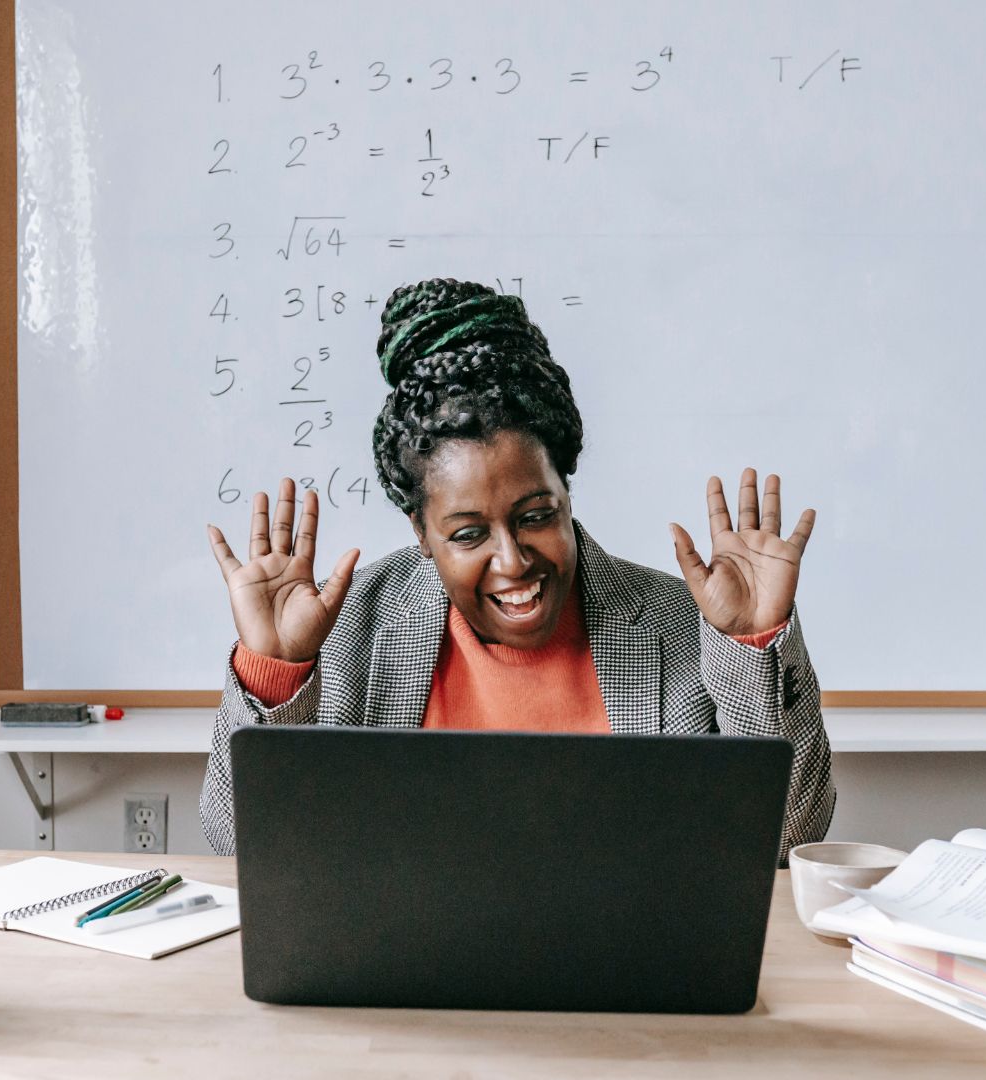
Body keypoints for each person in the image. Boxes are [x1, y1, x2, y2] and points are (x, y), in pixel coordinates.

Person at [200, 278, 834, 860]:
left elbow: (786, 840)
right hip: (409, 979)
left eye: (535, 516)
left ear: (566, 492)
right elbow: (237, 845)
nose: (512, 560)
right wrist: (276, 676)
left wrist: (751, 645)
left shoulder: (680, 626)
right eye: (470, 533)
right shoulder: (348, 632)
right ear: (422, 533)